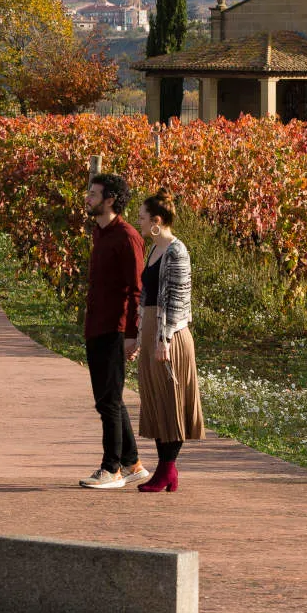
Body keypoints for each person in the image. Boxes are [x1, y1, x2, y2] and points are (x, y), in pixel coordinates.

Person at [78, 172, 149, 489]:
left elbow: (136, 289)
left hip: (114, 328)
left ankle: (111, 469)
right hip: (96, 326)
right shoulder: (100, 233)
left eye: (93, 194)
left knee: (108, 401)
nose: (87, 198)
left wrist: (132, 334)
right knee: (110, 398)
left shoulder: (127, 237)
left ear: (110, 200)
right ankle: (132, 463)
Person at [134, 189, 204, 492]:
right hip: (153, 331)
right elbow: (147, 295)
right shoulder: (154, 250)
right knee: (157, 401)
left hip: (170, 336)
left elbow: (177, 300)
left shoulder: (177, 251)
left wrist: (164, 339)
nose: (138, 221)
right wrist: (140, 336)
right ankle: (167, 471)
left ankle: (167, 470)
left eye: (142, 217)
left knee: (171, 400)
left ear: (157, 221)